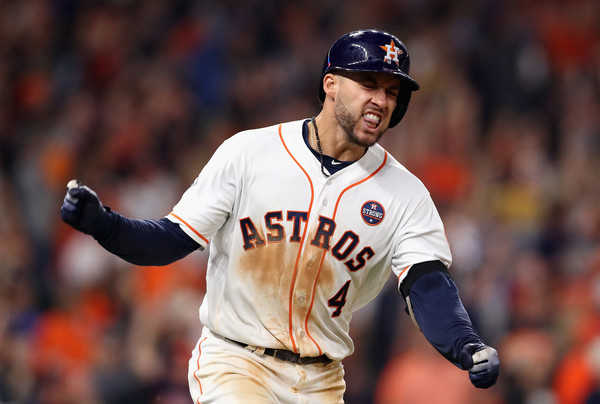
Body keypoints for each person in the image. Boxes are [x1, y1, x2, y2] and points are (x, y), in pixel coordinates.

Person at [60, 29, 499, 403]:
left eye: (391, 91)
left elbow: (426, 285)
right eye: (368, 83)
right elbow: (170, 240)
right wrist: (104, 224)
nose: (381, 100)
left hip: (321, 379)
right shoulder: (249, 153)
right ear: (330, 84)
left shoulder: (406, 195)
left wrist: (466, 344)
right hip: (235, 360)